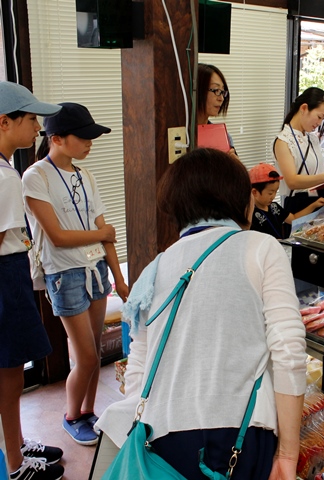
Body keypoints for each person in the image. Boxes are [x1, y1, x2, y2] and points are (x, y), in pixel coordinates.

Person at [97, 148, 307, 479]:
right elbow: (289, 352)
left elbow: (138, 369)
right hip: (240, 438)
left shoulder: (155, 268)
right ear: (242, 203)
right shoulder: (261, 247)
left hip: (162, 442)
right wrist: (288, 453)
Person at [22, 102, 129, 447]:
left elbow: (104, 231)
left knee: (94, 353)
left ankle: (87, 411)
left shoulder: (86, 176)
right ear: (56, 138)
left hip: (95, 268)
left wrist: (119, 278)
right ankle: (71, 416)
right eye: (83, 137)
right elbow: (57, 235)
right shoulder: (35, 176)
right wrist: (103, 235)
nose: (89, 143)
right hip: (64, 274)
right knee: (83, 356)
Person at [0, 82, 64, 480]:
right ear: (4, 122)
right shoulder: (6, 178)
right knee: (9, 373)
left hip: (9, 274)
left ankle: (17, 442)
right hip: (5, 278)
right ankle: (15, 464)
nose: (38, 127)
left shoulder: (8, 169)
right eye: (30, 118)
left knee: (9, 370)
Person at [274, 87, 324, 213]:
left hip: (319, 202)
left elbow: (315, 172)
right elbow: (292, 181)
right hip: (298, 208)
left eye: (323, 119)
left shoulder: (312, 138)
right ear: (304, 108)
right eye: (319, 117)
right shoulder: (283, 141)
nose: (320, 123)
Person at [249, 162, 324, 239]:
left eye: (276, 191)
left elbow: (294, 219)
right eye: (270, 193)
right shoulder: (249, 213)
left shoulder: (274, 207)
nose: (273, 196)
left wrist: (314, 205)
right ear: (255, 192)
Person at [196, 63, 238, 158]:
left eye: (222, 92)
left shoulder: (224, 137)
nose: (221, 98)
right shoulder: (180, 136)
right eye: (216, 90)